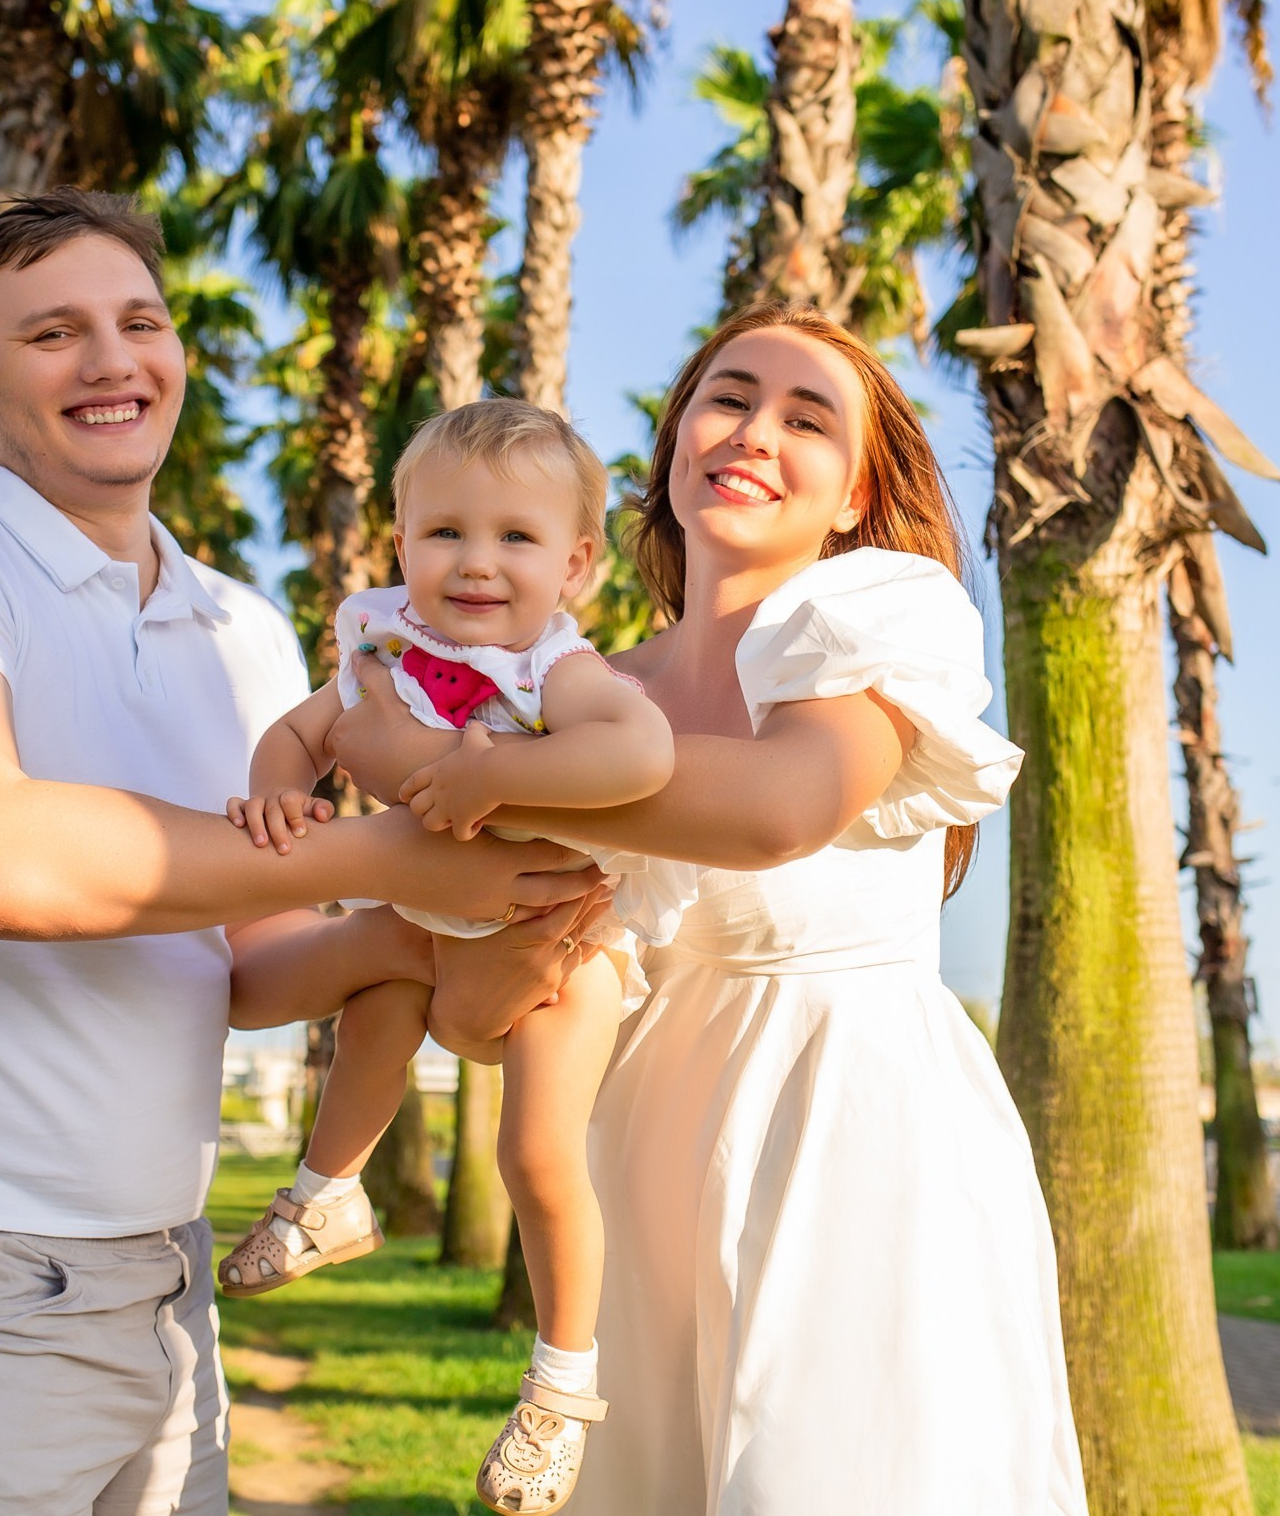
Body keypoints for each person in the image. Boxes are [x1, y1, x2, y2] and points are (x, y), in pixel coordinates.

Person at [0, 188, 607, 1516]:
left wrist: (446, 932)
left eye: (139, 320)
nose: (110, 358)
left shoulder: (247, 632)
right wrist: (390, 858)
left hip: (162, 1278)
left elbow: (246, 968)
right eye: (54, 333)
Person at [333, 304, 1090, 1514]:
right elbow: (479, 1007)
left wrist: (482, 781)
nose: (753, 431)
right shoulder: (582, 692)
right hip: (636, 1148)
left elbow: (783, 804)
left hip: (846, 1129)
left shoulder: (882, 610)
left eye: (807, 417)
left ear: (853, 493)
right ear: (676, 439)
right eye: (728, 397)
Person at [217, 399, 690, 1514]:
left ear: (575, 562)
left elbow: (641, 750)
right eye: (445, 534)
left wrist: (496, 777)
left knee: (536, 1153)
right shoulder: (385, 645)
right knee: (372, 1005)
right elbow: (304, 731)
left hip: (562, 945)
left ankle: (560, 1386)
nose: (477, 563)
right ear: (401, 542)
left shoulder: (556, 671)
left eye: (517, 539)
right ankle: (327, 1193)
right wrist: (283, 789)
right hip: (433, 925)